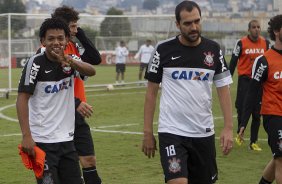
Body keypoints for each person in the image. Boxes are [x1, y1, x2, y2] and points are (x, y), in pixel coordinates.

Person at [142, 1, 233, 184]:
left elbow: (224, 91)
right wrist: (147, 132)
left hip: (203, 132)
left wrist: (228, 128)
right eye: (187, 23)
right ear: (177, 24)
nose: (194, 27)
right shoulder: (163, 50)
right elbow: (151, 93)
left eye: (197, 21)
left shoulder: (214, 50)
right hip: (172, 130)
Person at [16, 17, 96, 183]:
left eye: (60, 38)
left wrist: (71, 62)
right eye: (51, 38)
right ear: (43, 41)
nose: (56, 42)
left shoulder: (71, 60)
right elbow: (22, 99)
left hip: (67, 140)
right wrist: (26, 136)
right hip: (42, 141)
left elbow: (91, 70)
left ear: (67, 40)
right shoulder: (35, 63)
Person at [50, 6, 103, 184]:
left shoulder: (73, 45)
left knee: (89, 161)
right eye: (72, 26)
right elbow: (49, 90)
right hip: (58, 117)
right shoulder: (48, 51)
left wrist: (79, 34)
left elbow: (95, 59)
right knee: (66, 167)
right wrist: (75, 102)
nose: (75, 30)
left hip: (77, 114)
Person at [238, 14, 282, 184]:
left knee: (278, 157)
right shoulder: (264, 60)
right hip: (274, 115)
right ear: (277, 31)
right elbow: (252, 92)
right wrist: (243, 122)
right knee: (281, 158)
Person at [229, 19, 271, 151]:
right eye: (254, 27)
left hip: (259, 82)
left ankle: (253, 142)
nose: (257, 29)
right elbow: (233, 62)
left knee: (257, 113)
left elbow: (271, 62)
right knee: (241, 108)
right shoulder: (241, 43)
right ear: (249, 29)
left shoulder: (266, 43)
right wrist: (227, 80)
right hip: (245, 80)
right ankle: (239, 133)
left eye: (258, 27)